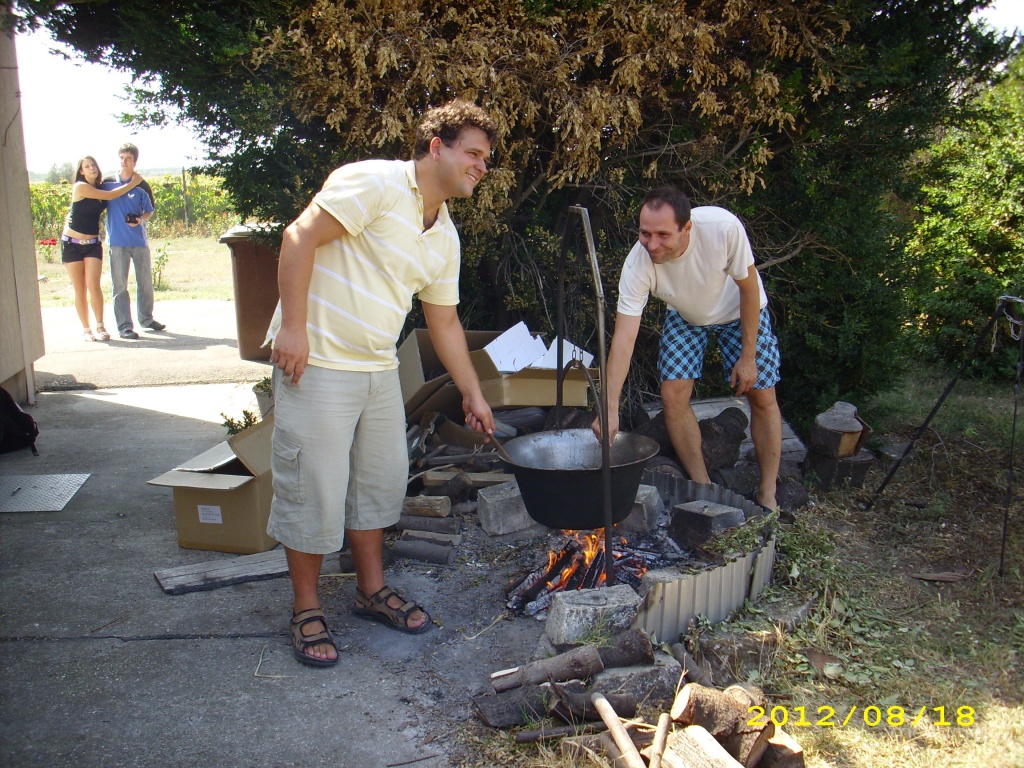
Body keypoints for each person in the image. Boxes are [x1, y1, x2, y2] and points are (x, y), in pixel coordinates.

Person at [267, 100, 498, 667]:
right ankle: (305, 607)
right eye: (473, 153)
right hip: (318, 361)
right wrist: (293, 328)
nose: (481, 166)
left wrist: (472, 392)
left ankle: (370, 591)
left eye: (486, 159)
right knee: (313, 487)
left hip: (377, 368)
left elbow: (444, 322)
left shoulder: (444, 235)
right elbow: (298, 237)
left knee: (378, 482)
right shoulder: (374, 183)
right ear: (436, 146)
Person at [595, 187, 783, 511]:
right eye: (645, 233)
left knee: (762, 395)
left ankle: (767, 492)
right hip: (686, 315)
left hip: (738, 309)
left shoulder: (722, 228)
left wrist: (748, 356)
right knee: (673, 395)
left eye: (663, 235)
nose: (652, 245)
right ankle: (703, 487)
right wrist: (609, 407)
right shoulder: (637, 264)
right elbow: (624, 339)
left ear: (687, 228)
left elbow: (749, 289)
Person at [60, 156, 144, 342]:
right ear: (81, 171)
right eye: (87, 166)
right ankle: (86, 329)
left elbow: (115, 196)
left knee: (94, 285)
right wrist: (133, 183)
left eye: (93, 165)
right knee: (80, 288)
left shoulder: (102, 187)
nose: (91, 168)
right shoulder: (80, 187)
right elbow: (110, 196)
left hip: (92, 244)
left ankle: (100, 325)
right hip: (72, 243)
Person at [102, 143, 164, 339]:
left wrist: (140, 220)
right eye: (121, 157)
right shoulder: (108, 183)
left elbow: (149, 211)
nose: (124, 161)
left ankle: (146, 319)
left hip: (139, 242)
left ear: (135, 161)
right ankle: (124, 326)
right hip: (117, 242)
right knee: (119, 286)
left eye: (128, 158)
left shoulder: (142, 185)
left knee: (145, 282)